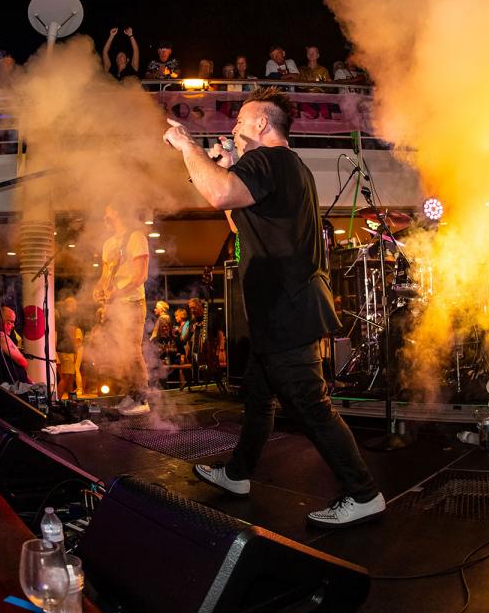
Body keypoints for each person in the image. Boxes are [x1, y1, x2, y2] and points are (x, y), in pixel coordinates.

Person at [164, 87, 384, 528]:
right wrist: (228, 165)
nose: (233, 128)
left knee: (310, 405)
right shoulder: (283, 167)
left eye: (240, 121)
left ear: (261, 124)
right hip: (280, 309)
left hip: (288, 309)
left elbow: (219, 194)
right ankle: (238, 475)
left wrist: (188, 146)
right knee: (258, 399)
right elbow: (236, 217)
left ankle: (364, 494)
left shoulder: (271, 159)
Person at [93, 203, 151, 415]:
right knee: (121, 354)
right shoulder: (108, 243)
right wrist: (98, 288)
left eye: (107, 211)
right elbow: (105, 275)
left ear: (117, 211)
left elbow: (141, 276)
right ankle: (130, 395)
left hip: (133, 303)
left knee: (132, 350)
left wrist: (118, 293)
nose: (104, 216)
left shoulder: (136, 237)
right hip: (115, 306)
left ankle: (142, 399)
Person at [0, 306, 29, 384]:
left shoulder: (4, 336)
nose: (13, 325)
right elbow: (22, 361)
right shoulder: (1, 336)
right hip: (14, 386)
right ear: (1, 320)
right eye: (11, 321)